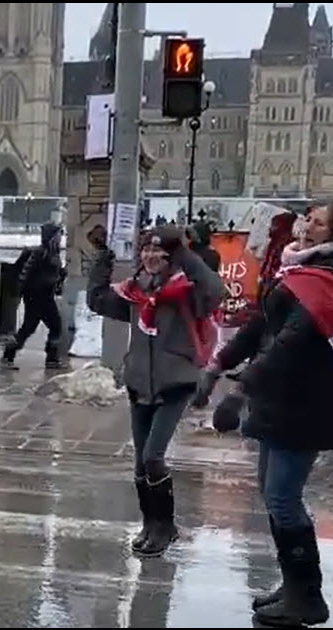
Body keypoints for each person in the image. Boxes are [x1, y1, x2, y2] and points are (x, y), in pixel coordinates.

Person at [196, 199, 333, 626]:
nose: (305, 227)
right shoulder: (298, 267)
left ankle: (308, 596)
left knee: (283, 497)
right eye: (307, 219)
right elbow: (263, 324)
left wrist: (241, 389)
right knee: (274, 497)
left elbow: (293, 338)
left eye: (316, 223)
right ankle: (292, 585)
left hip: (306, 399)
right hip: (277, 395)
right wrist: (219, 363)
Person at [87, 224, 224, 558]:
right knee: (139, 463)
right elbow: (98, 301)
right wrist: (102, 257)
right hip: (139, 382)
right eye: (146, 249)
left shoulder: (187, 292)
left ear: (172, 256)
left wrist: (185, 255)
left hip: (175, 381)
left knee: (153, 456)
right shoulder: (136, 291)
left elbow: (215, 291)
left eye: (160, 251)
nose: (151, 256)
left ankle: (165, 526)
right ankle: (150, 524)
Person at [2, 223, 67, 369]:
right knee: (54, 325)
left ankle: (10, 352)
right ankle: (51, 357)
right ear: (51, 236)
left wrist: (60, 275)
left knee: (30, 328)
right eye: (58, 234)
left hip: (43, 296)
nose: (60, 237)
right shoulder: (41, 253)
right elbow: (28, 273)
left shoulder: (52, 252)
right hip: (37, 297)